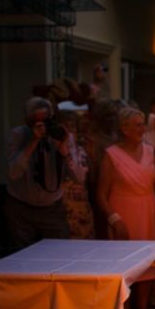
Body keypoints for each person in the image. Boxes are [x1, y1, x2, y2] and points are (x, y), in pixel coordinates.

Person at [97, 108, 155, 309]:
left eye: (142, 124)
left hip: (147, 208)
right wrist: (114, 219)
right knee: (125, 265)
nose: (142, 129)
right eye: (137, 125)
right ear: (124, 129)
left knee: (147, 263)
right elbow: (100, 193)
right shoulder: (111, 154)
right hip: (124, 210)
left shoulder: (149, 151)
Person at [5, 97, 86, 250]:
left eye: (46, 120)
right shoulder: (18, 135)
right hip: (21, 208)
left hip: (52, 209)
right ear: (27, 121)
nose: (42, 126)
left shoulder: (61, 136)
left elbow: (79, 178)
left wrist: (64, 150)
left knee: (58, 254)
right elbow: (13, 173)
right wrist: (33, 142)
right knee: (21, 258)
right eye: (37, 121)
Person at [54, 101, 95, 239]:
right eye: (65, 128)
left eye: (72, 128)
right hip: (64, 206)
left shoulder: (82, 151)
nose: (70, 133)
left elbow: (83, 179)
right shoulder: (53, 152)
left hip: (82, 205)